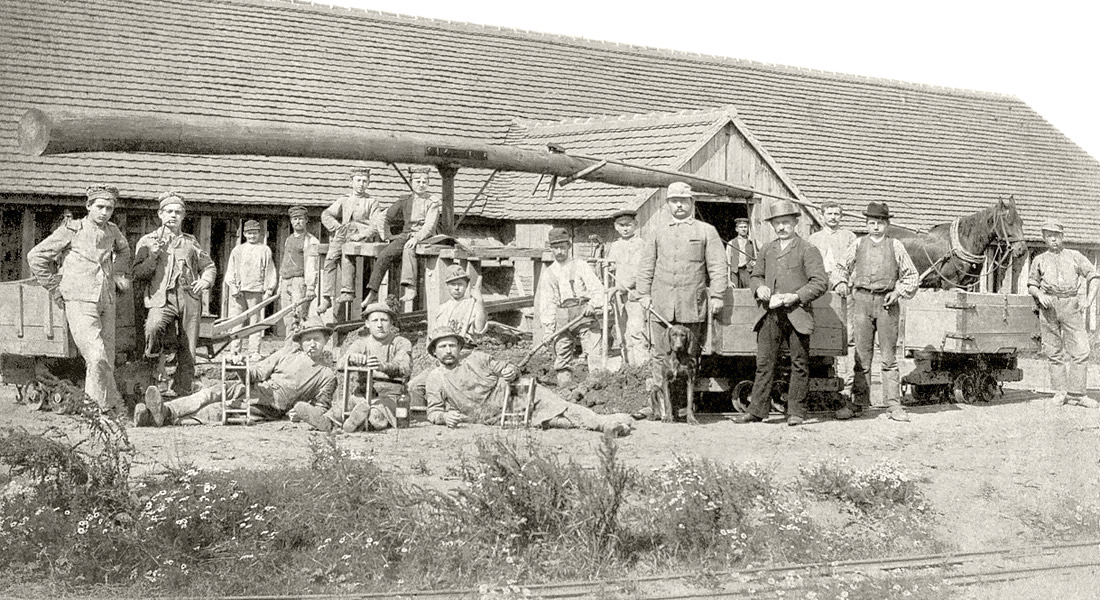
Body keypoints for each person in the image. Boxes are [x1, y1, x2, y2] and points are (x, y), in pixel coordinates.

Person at [27, 185, 132, 412]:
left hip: (106, 300)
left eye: (109, 208)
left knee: (107, 360)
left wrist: (116, 273)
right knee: (97, 357)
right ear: (88, 206)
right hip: (79, 301)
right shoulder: (72, 230)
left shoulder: (112, 231)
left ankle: (101, 409)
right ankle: (100, 409)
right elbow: (35, 256)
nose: (105, 212)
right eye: (100, 207)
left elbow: (124, 251)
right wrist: (55, 288)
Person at [422, 328, 634, 436]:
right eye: (442, 347)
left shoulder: (477, 358)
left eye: (452, 345)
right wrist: (444, 416)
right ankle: (612, 422)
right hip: (490, 418)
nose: (448, 351)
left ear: (460, 348)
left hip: (513, 395)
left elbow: (509, 369)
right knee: (552, 423)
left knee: (561, 407)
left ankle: (604, 424)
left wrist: (510, 372)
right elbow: (433, 412)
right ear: (434, 352)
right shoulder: (435, 379)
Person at [732, 200, 827, 426]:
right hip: (770, 314)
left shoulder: (807, 249)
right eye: (777, 223)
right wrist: (759, 287)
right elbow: (755, 276)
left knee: (799, 363)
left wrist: (796, 296)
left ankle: (795, 412)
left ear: (795, 223)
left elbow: (820, 282)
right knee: (764, 363)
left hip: (797, 313)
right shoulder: (767, 249)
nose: (781, 227)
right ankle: (757, 410)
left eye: (786, 222)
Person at [134, 320, 336, 426]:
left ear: (326, 340)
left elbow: (321, 406)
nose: (312, 344)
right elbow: (258, 372)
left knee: (216, 411)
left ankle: (152, 418)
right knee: (209, 393)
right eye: (307, 339)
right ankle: (166, 410)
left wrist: (300, 413)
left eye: (316, 339)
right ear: (300, 341)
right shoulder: (287, 352)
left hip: (271, 405)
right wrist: (241, 369)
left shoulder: (326, 375)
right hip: (254, 388)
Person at [833, 202, 919, 422]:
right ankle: (858, 403)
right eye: (872, 223)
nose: (876, 227)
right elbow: (840, 268)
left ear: (887, 224)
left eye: (880, 223)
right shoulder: (858, 244)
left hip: (886, 303)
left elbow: (911, 276)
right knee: (862, 356)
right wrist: (841, 283)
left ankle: (893, 405)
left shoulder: (896, 246)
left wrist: (898, 292)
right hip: (861, 301)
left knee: (889, 357)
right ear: (866, 224)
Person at [132, 191, 216, 397]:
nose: (173, 215)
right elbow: (137, 273)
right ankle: (153, 373)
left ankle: (182, 389)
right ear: (160, 214)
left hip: (188, 299)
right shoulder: (147, 241)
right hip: (161, 299)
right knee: (153, 327)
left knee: (188, 346)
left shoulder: (190, 242)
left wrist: (205, 280)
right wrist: (153, 256)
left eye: (178, 212)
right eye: (168, 211)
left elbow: (209, 265)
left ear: (183, 216)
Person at [636, 182, 727, 367]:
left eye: (683, 201)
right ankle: (662, 394)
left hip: (691, 305)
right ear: (667, 204)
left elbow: (718, 266)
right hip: (661, 304)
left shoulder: (706, 231)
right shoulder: (657, 231)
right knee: (661, 354)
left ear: (691, 202)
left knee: (690, 354)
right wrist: (643, 294)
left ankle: (688, 395)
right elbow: (646, 265)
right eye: (674, 201)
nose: (679, 205)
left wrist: (717, 295)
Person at [295, 303, 412, 432]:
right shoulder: (361, 343)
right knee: (340, 409)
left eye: (384, 320)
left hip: (391, 395)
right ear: (367, 324)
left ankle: (358, 423)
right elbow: (340, 364)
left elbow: (405, 368)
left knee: (376, 415)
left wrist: (383, 366)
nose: (379, 325)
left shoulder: (401, 342)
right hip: (362, 394)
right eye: (375, 320)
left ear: (391, 323)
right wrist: (351, 359)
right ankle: (327, 422)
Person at [1027, 219, 1100, 408]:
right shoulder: (1039, 260)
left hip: (1071, 305)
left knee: (1081, 349)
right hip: (1049, 307)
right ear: (1044, 238)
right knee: (1053, 351)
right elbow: (1032, 285)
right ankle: (1060, 392)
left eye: (1057, 235)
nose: (1054, 239)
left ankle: (1078, 394)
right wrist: (1040, 294)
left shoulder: (1075, 256)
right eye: (1050, 236)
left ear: (1063, 236)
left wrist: (1089, 300)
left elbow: (1094, 277)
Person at [407, 264, 488, 411]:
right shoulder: (442, 308)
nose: (457, 288)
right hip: (442, 359)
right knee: (414, 386)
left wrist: (480, 302)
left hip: (464, 357)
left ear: (466, 286)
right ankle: (423, 422)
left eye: (460, 285)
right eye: (453, 285)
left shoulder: (472, 304)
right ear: (447, 287)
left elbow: (480, 328)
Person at [536, 226, 607, 386]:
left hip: (584, 316)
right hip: (562, 319)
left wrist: (592, 304)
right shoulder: (549, 273)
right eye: (555, 248)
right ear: (551, 249)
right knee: (561, 355)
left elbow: (599, 290)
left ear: (569, 246)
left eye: (562, 247)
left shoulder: (581, 266)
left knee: (594, 355)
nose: (559, 251)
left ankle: (597, 389)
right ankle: (565, 389)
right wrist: (548, 329)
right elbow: (547, 304)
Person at [363, 166, 441, 306]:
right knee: (385, 255)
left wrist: (417, 238)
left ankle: (410, 288)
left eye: (425, 182)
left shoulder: (433, 202)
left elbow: (429, 226)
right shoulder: (404, 200)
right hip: (406, 235)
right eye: (418, 181)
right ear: (411, 182)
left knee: (408, 249)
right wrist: (387, 235)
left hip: (426, 237)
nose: (421, 184)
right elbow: (384, 217)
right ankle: (373, 292)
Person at [317, 166, 385, 314]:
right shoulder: (344, 200)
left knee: (347, 256)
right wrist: (336, 227)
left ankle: (348, 291)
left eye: (365, 181)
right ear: (351, 182)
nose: (361, 184)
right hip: (343, 232)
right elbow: (326, 214)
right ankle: (327, 298)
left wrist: (363, 234)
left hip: (360, 235)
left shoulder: (372, 202)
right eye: (358, 180)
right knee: (330, 259)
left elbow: (377, 224)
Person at [225, 219, 277, 359]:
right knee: (237, 321)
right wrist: (233, 287)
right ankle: (235, 350)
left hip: (256, 291)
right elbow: (230, 271)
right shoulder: (238, 250)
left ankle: (254, 351)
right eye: (249, 233)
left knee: (256, 322)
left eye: (254, 233)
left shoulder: (264, 250)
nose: (252, 236)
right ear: (244, 234)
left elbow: (270, 271)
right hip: (239, 292)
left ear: (259, 234)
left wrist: (269, 290)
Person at [605, 208, 650, 366]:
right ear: (616, 227)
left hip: (634, 295)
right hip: (618, 296)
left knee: (637, 331)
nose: (625, 228)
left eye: (628, 225)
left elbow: (638, 272)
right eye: (621, 225)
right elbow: (611, 268)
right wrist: (607, 269)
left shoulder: (640, 245)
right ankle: (628, 366)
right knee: (621, 332)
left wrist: (620, 287)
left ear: (635, 225)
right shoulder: (615, 246)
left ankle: (642, 367)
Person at [279, 205, 319, 333]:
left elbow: (312, 265)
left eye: (300, 219)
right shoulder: (288, 239)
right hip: (286, 281)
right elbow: (285, 261)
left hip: (300, 282)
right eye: (295, 219)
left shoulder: (311, 240)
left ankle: (298, 347)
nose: (297, 222)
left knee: (299, 315)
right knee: (287, 316)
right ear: (291, 221)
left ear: (306, 220)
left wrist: (311, 287)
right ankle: (289, 346)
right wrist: (281, 284)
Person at [726, 217, 756, 289]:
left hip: (748, 272)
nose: (743, 229)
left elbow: (763, 252)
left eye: (745, 227)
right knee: (736, 294)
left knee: (749, 292)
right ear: (737, 229)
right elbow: (727, 264)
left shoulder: (753, 242)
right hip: (735, 273)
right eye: (741, 227)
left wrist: (756, 261)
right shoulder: (731, 243)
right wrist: (728, 280)